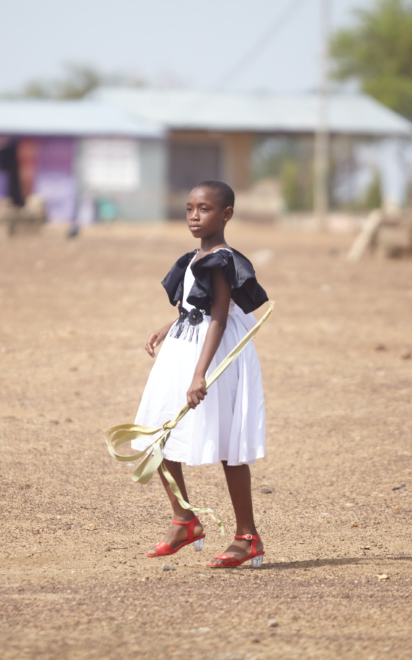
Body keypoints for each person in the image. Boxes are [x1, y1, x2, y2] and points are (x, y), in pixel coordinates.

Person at [133, 180, 270, 568]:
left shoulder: (222, 260)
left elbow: (220, 317)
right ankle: (184, 521)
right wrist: (167, 326)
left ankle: (247, 536)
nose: (195, 215)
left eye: (204, 209)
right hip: (183, 344)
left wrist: (200, 374)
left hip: (210, 353)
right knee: (159, 431)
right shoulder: (196, 256)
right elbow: (197, 308)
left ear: (226, 214)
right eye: (190, 208)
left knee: (228, 445)